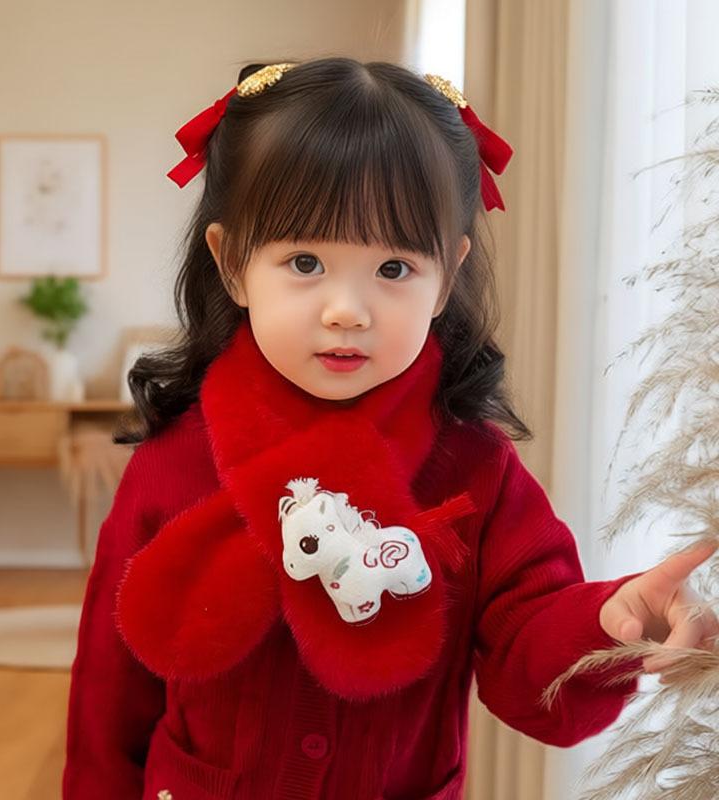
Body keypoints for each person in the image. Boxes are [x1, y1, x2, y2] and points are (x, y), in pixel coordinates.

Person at [62, 57, 719, 800]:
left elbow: (528, 646)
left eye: (395, 269)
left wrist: (608, 622)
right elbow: (108, 694)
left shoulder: (475, 467)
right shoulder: (175, 460)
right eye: (305, 261)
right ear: (233, 263)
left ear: (446, 277)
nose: (348, 310)